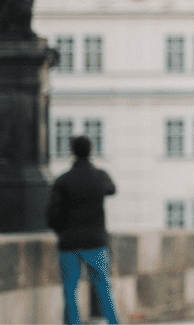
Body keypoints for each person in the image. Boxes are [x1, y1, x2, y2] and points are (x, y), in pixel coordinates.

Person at [46, 135, 120, 325]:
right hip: (96, 242)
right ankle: (113, 322)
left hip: (70, 243)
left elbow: (52, 215)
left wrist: (62, 231)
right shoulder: (100, 176)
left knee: (70, 291)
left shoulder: (63, 180)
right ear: (91, 151)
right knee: (103, 288)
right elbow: (112, 189)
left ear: (72, 152)